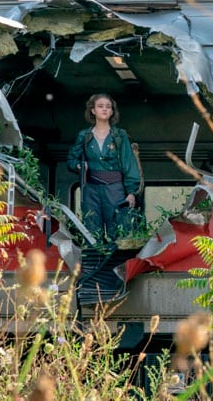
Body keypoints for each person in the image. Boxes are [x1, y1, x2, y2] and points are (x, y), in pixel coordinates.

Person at [67, 93, 141, 304]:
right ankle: (95, 286)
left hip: (115, 188)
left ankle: (119, 283)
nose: (104, 109)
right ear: (92, 110)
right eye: (100, 106)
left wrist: (131, 191)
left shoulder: (119, 136)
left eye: (108, 107)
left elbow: (129, 164)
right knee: (92, 234)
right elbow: (71, 160)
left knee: (120, 233)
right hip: (91, 188)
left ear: (112, 111)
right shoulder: (84, 136)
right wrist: (79, 166)